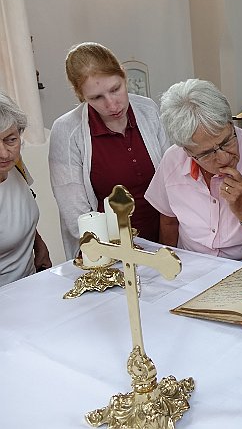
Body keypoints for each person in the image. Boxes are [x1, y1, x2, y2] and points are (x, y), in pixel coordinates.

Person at [145, 79, 242, 262]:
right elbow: (169, 222)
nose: (224, 158)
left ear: (230, 122)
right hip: (193, 271)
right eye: (207, 153)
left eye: (227, 141)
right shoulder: (173, 161)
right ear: (187, 151)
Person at [49, 43, 170, 260]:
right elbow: (77, 216)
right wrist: (115, 255)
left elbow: (170, 181)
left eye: (116, 89)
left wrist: (169, 242)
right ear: (81, 96)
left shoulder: (148, 110)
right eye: (96, 97)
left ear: (123, 76)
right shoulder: (67, 131)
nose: (112, 104)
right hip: (108, 252)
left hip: (164, 240)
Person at [0, 91, 51, 286]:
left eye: (10, 139)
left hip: (30, 283)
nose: (4, 153)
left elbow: (19, 210)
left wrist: (39, 245)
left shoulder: (16, 165)